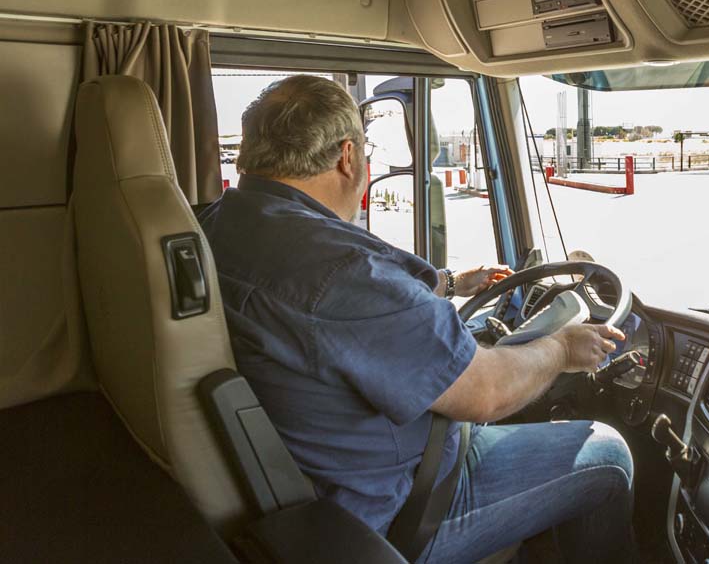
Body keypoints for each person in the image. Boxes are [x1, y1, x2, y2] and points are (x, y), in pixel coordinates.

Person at [200, 75, 637, 563]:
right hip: (403, 507)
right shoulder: (343, 272)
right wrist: (561, 349)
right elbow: (486, 392)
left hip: (319, 481)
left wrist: (452, 284)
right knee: (608, 452)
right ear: (348, 157)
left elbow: (333, 309)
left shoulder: (219, 224)